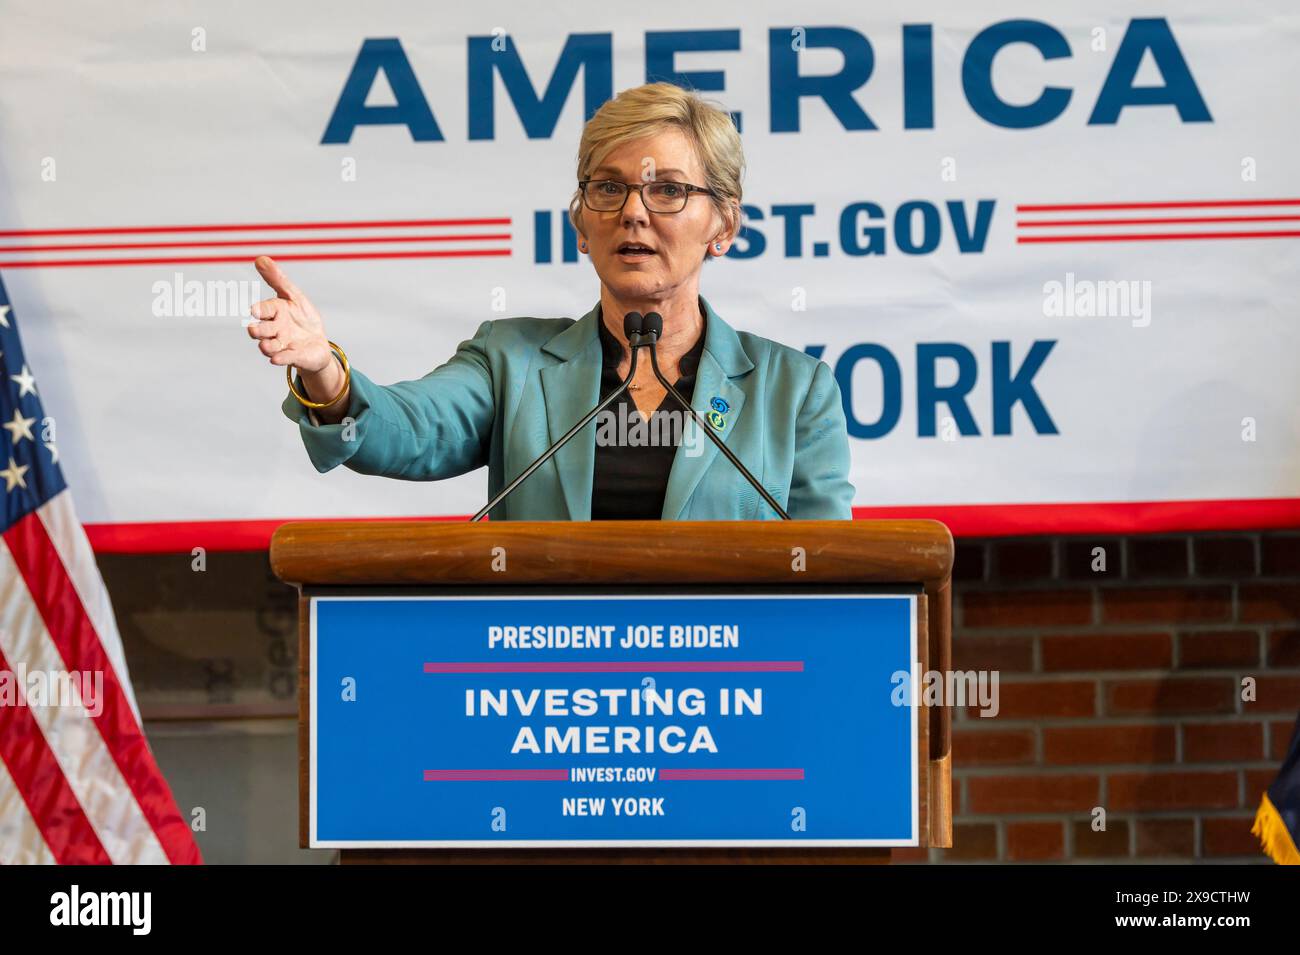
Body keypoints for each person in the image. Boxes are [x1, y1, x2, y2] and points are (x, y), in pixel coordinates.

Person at [246, 82, 855, 521]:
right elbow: (407, 432)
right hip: (547, 680)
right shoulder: (512, 361)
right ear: (582, 225)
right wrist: (326, 373)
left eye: (668, 190)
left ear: (722, 225)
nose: (633, 212)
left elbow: (838, 580)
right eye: (609, 188)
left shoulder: (794, 393)